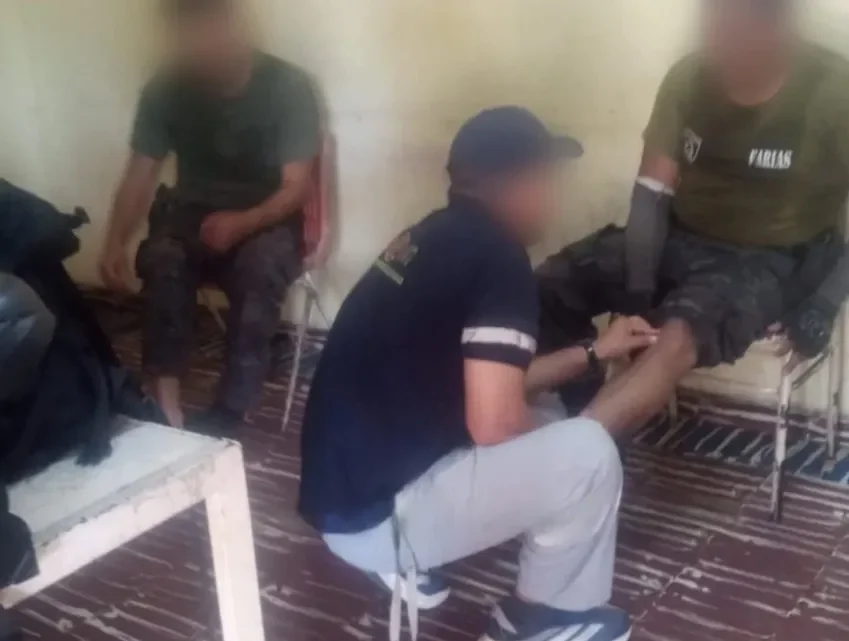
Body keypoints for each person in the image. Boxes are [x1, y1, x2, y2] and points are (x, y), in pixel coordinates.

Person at [299, 107, 654, 641]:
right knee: (589, 453)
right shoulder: (499, 259)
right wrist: (568, 453)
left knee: (549, 414)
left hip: (341, 501)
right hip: (381, 520)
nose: (553, 196)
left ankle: (479, 580)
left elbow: (493, 387)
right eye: (549, 180)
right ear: (520, 183)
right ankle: (543, 621)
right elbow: (494, 423)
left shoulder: (431, 236)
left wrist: (594, 351)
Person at [538, 0, 849, 436]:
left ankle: (568, 456)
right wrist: (639, 295)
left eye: (737, 31)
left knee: (679, 335)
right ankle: (578, 413)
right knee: (550, 286)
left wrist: (824, 302)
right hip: (678, 237)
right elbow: (651, 197)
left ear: (778, 27)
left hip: (768, 259)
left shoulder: (834, 90)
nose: (721, 44)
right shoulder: (689, 77)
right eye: (714, 24)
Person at [98, 0, 321, 430]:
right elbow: (140, 174)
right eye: (190, 34)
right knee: (163, 257)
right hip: (192, 214)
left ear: (233, 24)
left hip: (268, 217)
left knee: (260, 268)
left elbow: (297, 188)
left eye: (209, 28)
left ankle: (230, 412)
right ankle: (166, 405)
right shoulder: (166, 88)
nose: (202, 45)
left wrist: (243, 223)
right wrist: (114, 242)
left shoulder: (288, 86)